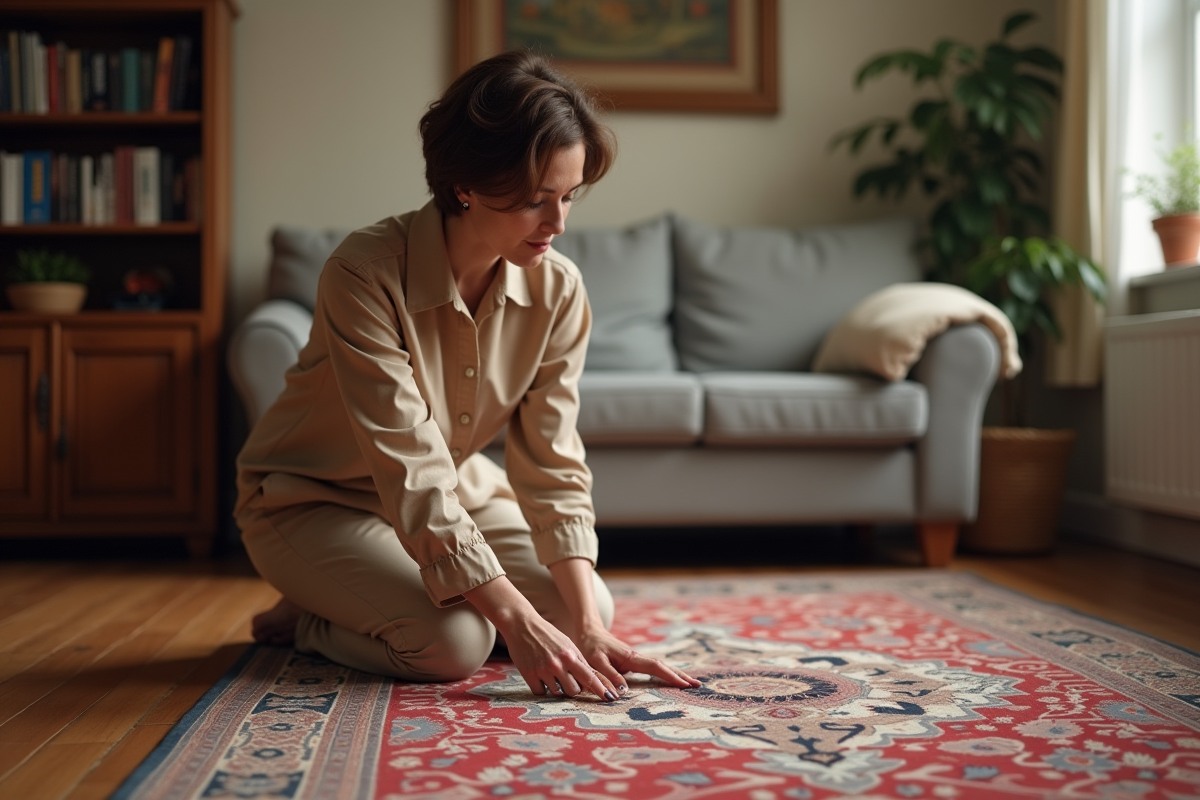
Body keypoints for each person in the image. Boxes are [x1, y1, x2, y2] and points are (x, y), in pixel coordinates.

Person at [234, 50, 699, 702]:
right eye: (537, 202)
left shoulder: (559, 289)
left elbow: (553, 461)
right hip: (316, 500)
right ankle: (313, 616)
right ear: (465, 186)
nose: (559, 224)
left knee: (581, 604)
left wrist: (587, 629)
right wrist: (513, 618)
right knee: (455, 644)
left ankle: (377, 598)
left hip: (458, 491)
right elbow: (409, 466)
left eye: (568, 197)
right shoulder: (364, 273)